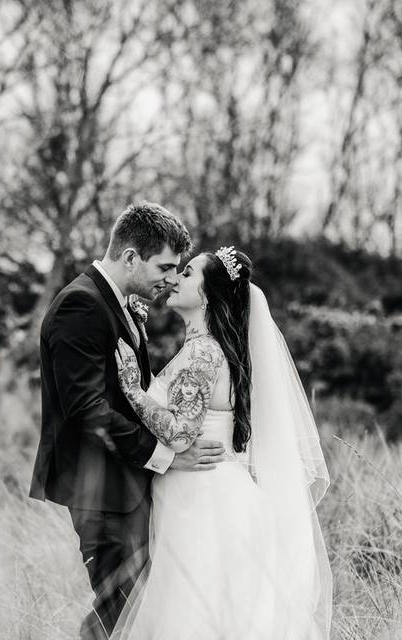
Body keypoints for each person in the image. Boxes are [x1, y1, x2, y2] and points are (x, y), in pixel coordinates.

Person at [111, 246, 332, 640]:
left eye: (189, 273)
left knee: (192, 617)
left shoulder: (203, 354)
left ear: (209, 294)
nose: (175, 277)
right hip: (206, 492)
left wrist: (133, 390)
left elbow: (180, 434)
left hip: (202, 501)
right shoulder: (206, 350)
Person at [28, 203, 228, 640]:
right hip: (102, 491)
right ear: (131, 257)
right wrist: (166, 457)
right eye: (166, 267)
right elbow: (87, 411)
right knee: (118, 617)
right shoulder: (81, 306)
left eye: (178, 270)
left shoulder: (118, 305)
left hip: (126, 488)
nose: (172, 279)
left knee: (136, 613)